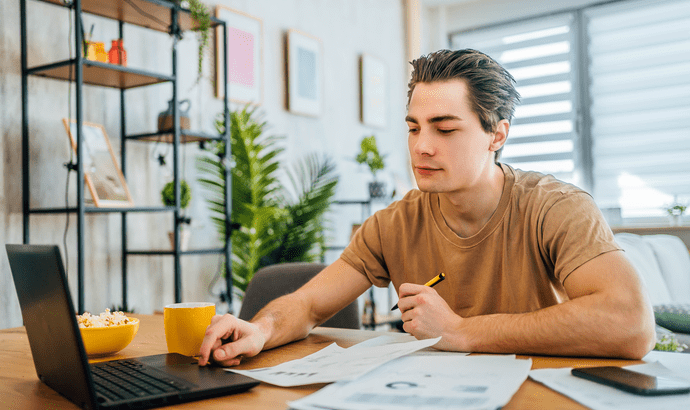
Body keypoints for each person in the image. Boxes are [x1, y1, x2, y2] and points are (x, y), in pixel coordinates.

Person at [198, 49, 655, 367]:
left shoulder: (555, 207)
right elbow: (308, 305)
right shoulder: (393, 224)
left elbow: (631, 324)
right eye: (414, 128)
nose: (422, 147)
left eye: (445, 129)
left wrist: (462, 332)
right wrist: (259, 330)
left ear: (497, 135)